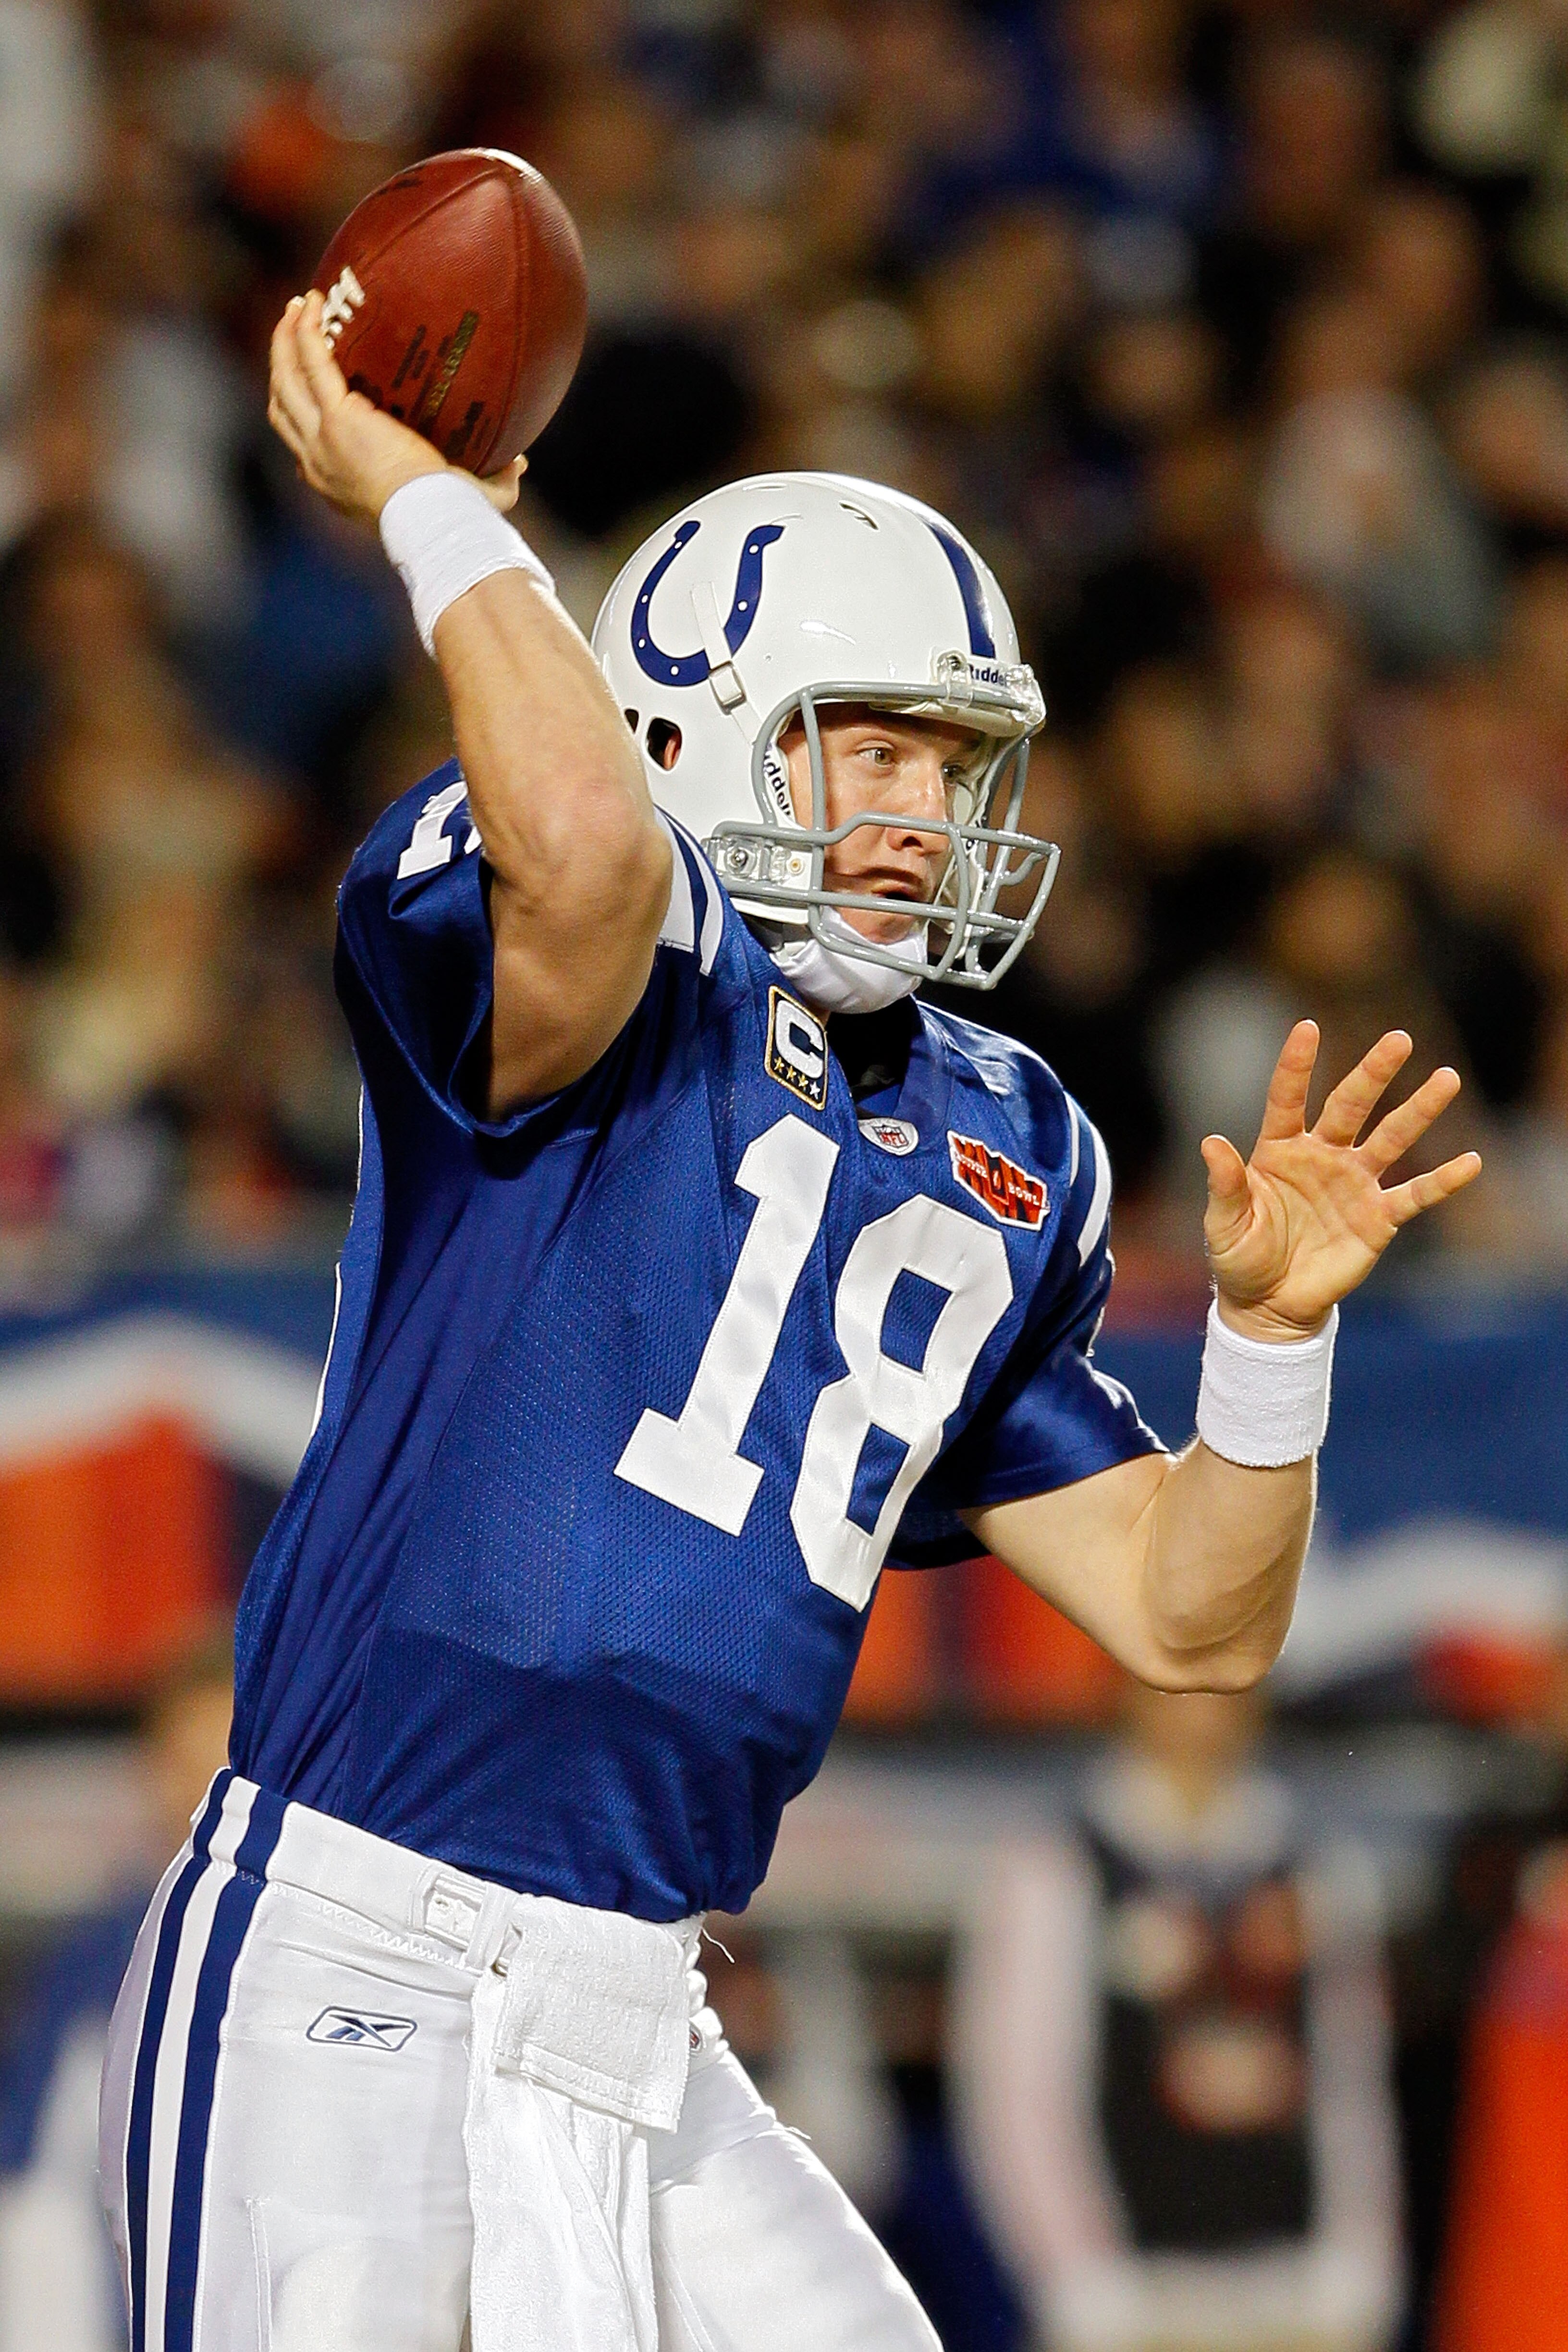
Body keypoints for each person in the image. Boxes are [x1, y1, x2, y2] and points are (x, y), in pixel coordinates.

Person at [98, 290, 1481, 2352]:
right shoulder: (588, 961)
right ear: (697, 720)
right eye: (878, 743)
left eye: (955, 756)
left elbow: (1197, 1620)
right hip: (349, 1950)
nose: (929, 808)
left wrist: (1276, 1344)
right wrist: (438, 512)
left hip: (643, 2005)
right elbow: (575, 846)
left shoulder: (1005, 1144)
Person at [952, 1681, 1402, 2352]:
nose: (1205, 1697)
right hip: (1140, 2305)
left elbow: (1349, 2085)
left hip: (1293, 2298)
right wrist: (1081, 2281)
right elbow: (1019, 2094)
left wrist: (1359, 2267)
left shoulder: (1312, 1868)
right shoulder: (1060, 1865)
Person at [0, 1627, 233, 2352]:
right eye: (184, 1767)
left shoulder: (350, 1950)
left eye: (227, 1770)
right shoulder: (98, 1968)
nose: (203, 1802)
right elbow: (41, 2214)